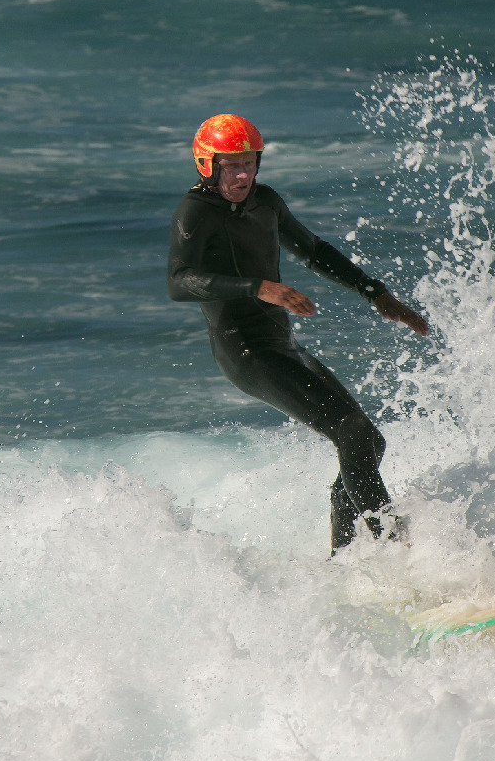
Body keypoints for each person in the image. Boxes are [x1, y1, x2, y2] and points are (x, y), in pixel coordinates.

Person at [167, 113, 429, 554]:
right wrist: (260, 287)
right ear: (207, 164)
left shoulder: (266, 202)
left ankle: (344, 558)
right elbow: (179, 282)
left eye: (249, 163)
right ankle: (395, 546)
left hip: (282, 344)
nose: (242, 175)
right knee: (351, 431)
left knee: (368, 440)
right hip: (245, 351)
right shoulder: (195, 212)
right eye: (231, 166)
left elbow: (313, 251)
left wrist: (374, 292)